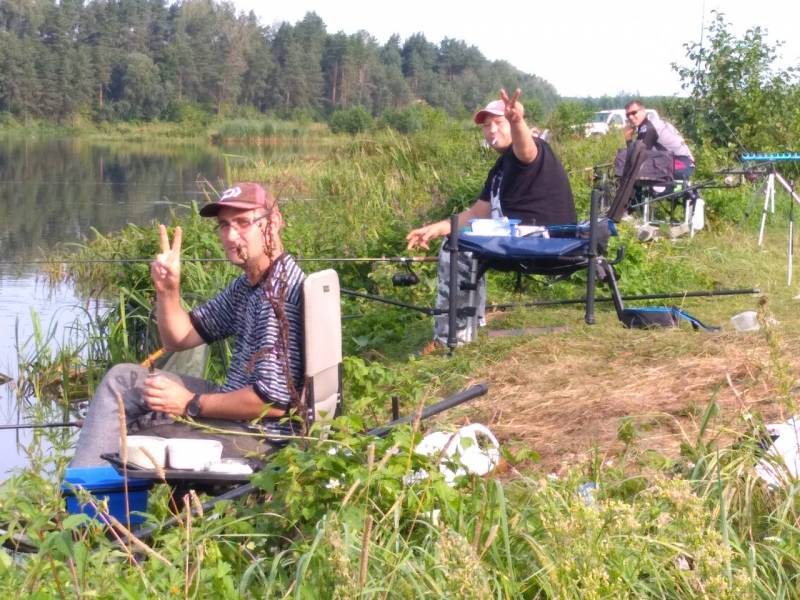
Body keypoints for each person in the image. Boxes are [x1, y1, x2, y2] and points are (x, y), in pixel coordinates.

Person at [70, 182, 305, 468]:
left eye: (243, 222)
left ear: (274, 221)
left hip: (260, 437)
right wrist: (168, 290)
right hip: (236, 417)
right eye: (224, 225)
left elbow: (272, 402)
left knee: (130, 430)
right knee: (122, 382)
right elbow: (179, 338)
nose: (231, 236)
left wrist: (190, 403)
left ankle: (86, 506)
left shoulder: (279, 293)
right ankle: (90, 498)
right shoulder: (250, 284)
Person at [406, 88, 576, 351]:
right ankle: (471, 324)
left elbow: (526, 149)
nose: (491, 130)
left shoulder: (530, 152)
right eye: (486, 126)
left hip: (547, 241)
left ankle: (452, 338)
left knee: (457, 249)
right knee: (456, 240)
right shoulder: (499, 168)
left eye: (498, 122)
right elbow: (476, 214)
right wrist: (435, 228)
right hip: (523, 240)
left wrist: (518, 121)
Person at [623, 100, 695, 179]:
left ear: (643, 111)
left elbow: (637, 156)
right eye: (628, 115)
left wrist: (628, 139)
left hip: (681, 163)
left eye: (633, 113)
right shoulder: (649, 123)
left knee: (634, 171)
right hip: (680, 162)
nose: (630, 117)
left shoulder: (648, 127)